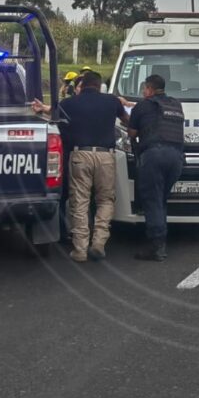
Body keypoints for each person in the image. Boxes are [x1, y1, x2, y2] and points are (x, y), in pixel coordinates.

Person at [32, 71, 127, 262]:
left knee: (80, 202)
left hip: (80, 155)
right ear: (99, 85)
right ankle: (99, 242)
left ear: (81, 86)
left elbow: (54, 112)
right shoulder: (112, 101)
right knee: (105, 200)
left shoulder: (70, 103)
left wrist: (43, 108)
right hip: (106, 155)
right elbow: (127, 121)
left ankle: (80, 250)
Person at [128, 74, 185, 262]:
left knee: (152, 200)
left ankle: (156, 246)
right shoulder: (176, 105)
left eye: (144, 89)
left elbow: (132, 133)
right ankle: (161, 238)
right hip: (176, 158)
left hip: (154, 156)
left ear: (150, 89)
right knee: (160, 199)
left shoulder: (142, 106)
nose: (143, 92)